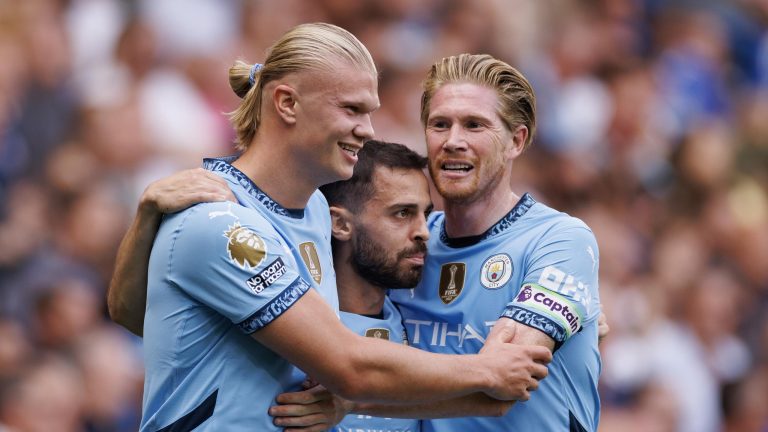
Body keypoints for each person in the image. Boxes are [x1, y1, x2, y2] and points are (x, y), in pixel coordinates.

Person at [107, 24, 551, 431]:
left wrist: (565, 309)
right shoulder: (220, 220)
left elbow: (141, 314)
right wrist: (488, 370)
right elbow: (348, 365)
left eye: (370, 111)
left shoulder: (318, 211)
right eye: (352, 109)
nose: (367, 130)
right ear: (286, 103)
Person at [273, 53, 603, 431]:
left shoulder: (558, 240)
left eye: (474, 125)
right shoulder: (407, 241)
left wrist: (351, 398)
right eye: (439, 124)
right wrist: (193, 190)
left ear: (516, 140)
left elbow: (502, 384)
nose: (453, 141)